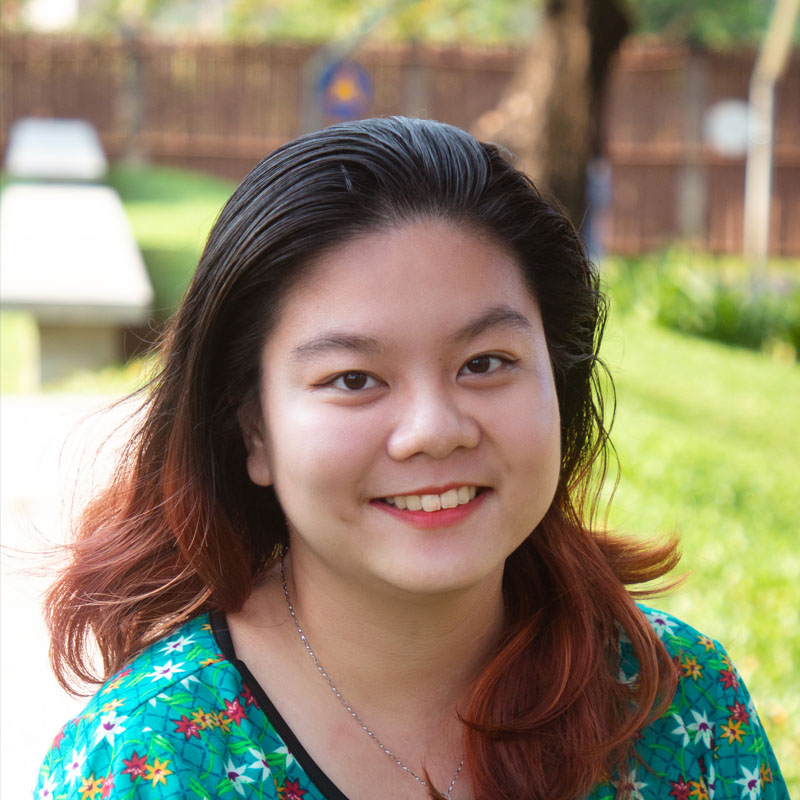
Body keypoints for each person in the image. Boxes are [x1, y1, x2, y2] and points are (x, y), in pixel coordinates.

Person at [34, 117, 786, 800]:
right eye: (354, 380)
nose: (433, 430)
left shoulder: (676, 703)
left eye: (486, 362)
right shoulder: (148, 759)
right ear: (253, 432)